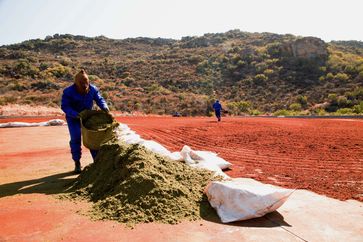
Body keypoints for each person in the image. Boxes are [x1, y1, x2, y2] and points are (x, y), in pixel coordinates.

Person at [61, 69, 109, 173]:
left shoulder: (93, 89)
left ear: (88, 82)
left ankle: (96, 161)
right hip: (73, 118)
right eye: (81, 84)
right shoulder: (68, 92)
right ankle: (77, 162)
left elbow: (100, 99)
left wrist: (105, 107)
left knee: (93, 137)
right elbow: (65, 106)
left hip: (88, 117)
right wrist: (75, 114)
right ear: (77, 83)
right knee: (76, 138)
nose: (84, 86)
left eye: (86, 84)